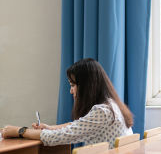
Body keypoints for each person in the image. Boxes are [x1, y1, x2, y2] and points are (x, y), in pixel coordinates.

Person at [1, 58, 133, 148]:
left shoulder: (102, 112)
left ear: (87, 86)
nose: (71, 91)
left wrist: (20, 131)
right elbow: (79, 125)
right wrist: (51, 128)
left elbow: (58, 137)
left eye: (73, 85)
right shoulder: (111, 106)